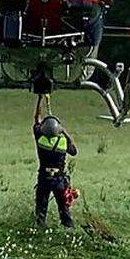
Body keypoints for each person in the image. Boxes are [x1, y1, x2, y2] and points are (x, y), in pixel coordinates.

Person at [32, 94, 77, 228]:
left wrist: (40, 98)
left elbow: (36, 119)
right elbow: (74, 151)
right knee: (64, 210)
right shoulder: (63, 142)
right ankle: (69, 229)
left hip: (44, 178)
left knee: (41, 210)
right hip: (59, 180)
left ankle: (40, 230)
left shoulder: (40, 139)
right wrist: (64, 132)